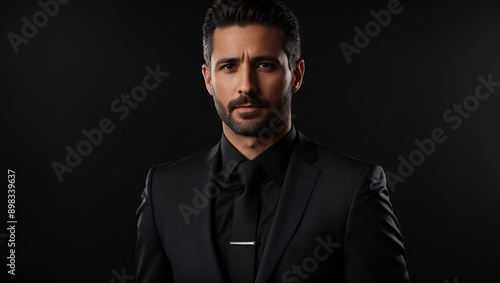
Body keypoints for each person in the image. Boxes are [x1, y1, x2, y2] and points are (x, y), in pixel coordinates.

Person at [135, 0, 410, 282]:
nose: (246, 85)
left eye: (265, 65)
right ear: (208, 79)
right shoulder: (164, 191)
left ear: (297, 75)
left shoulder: (352, 188)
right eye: (229, 66)